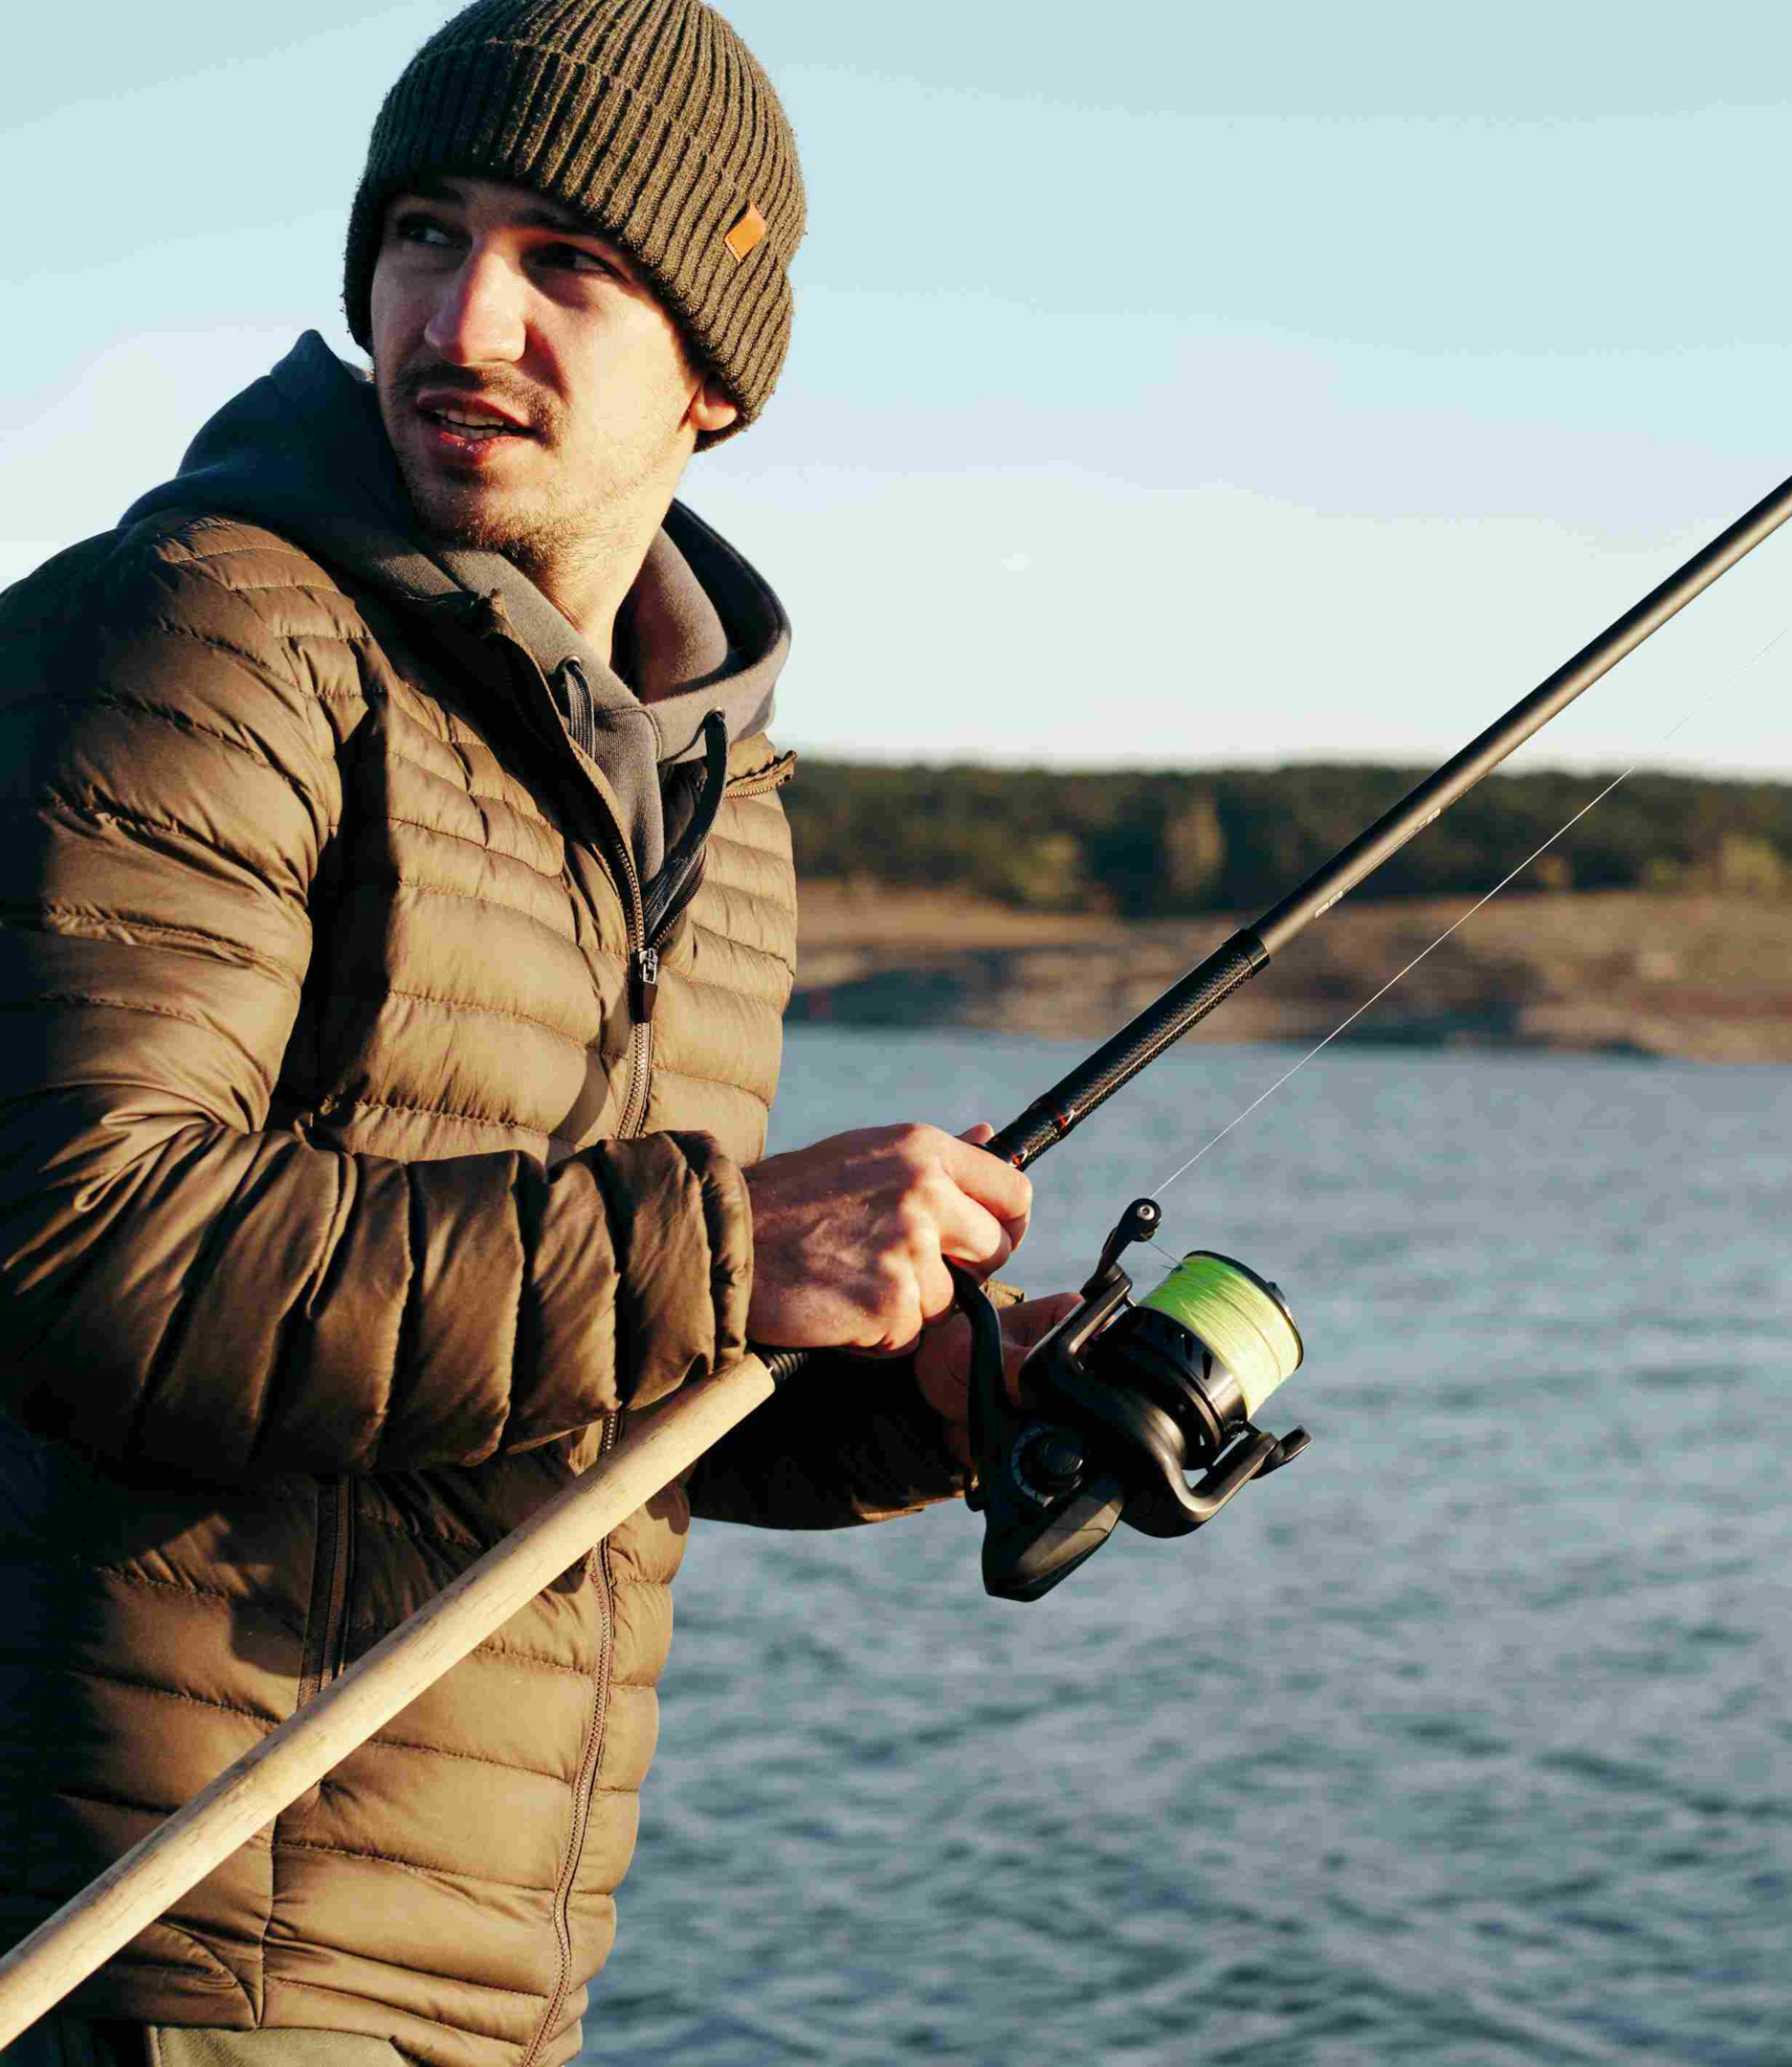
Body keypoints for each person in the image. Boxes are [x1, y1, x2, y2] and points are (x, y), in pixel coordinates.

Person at [0, 6, 1069, 2062]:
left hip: (489, 1990)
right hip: (147, 1961)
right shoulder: (199, 628)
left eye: (566, 260)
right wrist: (721, 1248)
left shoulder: (719, 810)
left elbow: (562, 1399)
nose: (460, 313)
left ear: (721, 377)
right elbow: (82, 1254)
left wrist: (924, 1396)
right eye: (424, 233)